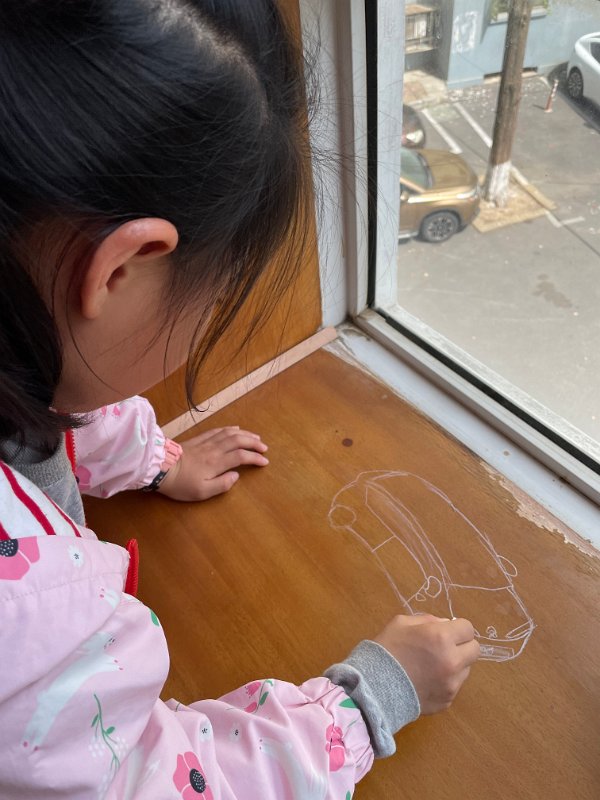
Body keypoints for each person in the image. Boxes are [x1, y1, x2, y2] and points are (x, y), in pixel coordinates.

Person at [0, 1, 480, 797]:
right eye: (218, 295)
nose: (213, 315)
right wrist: (369, 704)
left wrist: (155, 461)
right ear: (121, 270)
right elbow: (159, 782)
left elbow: (48, 405)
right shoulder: (32, 620)